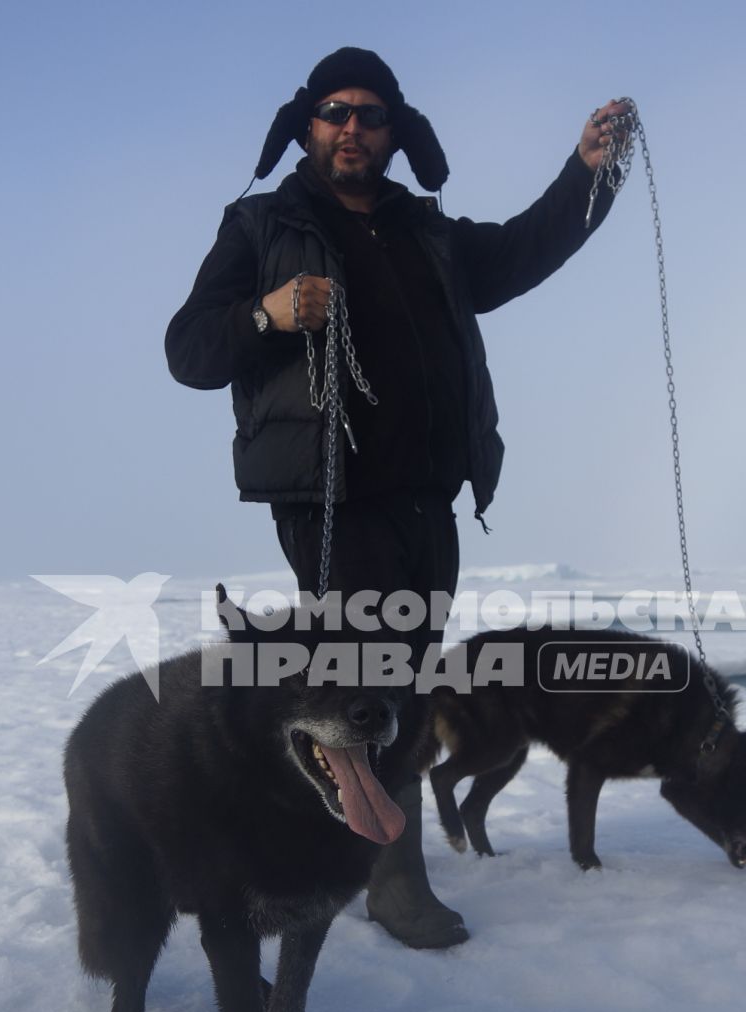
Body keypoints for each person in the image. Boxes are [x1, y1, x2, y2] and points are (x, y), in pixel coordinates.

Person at [165, 47, 629, 949]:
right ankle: (390, 879)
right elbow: (188, 350)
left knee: (404, 680)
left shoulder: (429, 235)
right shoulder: (262, 225)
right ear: (307, 126)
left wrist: (589, 173)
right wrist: (270, 314)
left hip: (429, 501)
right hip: (333, 505)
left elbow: (529, 246)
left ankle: (359, 852)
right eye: (335, 112)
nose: (352, 127)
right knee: (370, 680)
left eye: (371, 115)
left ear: (395, 132)